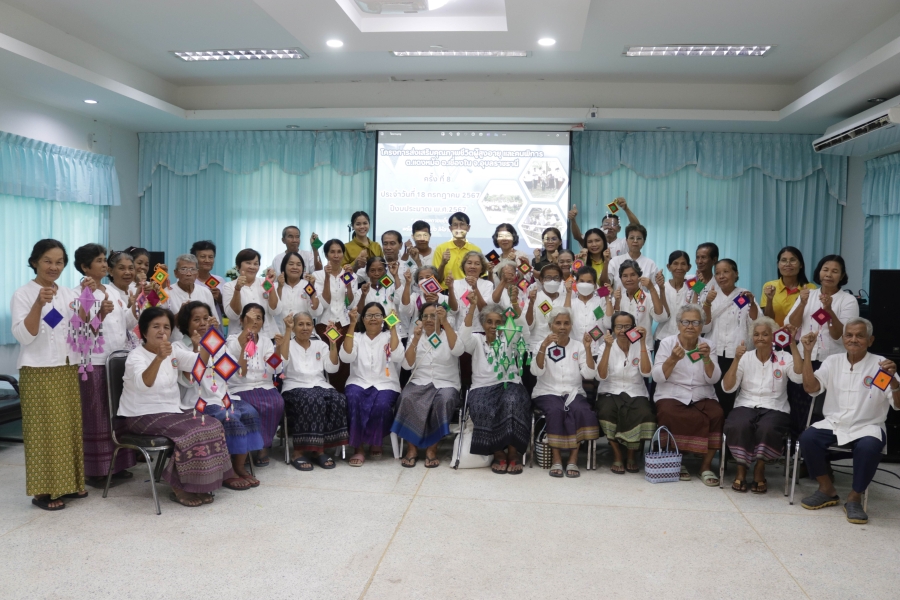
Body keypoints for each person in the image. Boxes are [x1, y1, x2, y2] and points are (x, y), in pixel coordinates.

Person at [118, 306, 234, 507]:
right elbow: (143, 383)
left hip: (171, 411)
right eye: (156, 326)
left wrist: (207, 340)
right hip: (141, 415)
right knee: (191, 432)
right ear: (144, 332)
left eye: (166, 326)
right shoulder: (135, 356)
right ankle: (180, 486)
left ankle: (197, 483)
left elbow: (198, 365)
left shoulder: (172, 352)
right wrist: (159, 358)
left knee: (212, 424)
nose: (162, 331)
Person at [798, 318, 900, 525]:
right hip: (835, 422)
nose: (853, 340)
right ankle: (826, 488)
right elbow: (811, 388)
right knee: (808, 438)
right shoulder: (832, 361)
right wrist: (807, 353)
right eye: (849, 335)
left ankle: (854, 497)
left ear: (870, 340)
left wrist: (895, 383)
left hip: (868, 425)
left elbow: (898, 405)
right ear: (843, 338)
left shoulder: (881, 365)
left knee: (869, 447)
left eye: (860, 336)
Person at [11, 239, 87, 510]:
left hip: (66, 367)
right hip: (37, 370)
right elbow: (24, 335)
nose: (54, 267)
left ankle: (71, 483)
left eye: (59, 262)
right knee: (43, 432)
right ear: (34, 262)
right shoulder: (22, 293)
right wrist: (37, 304)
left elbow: (81, 327)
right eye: (47, 261)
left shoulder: (67, 293)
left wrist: (89, 306)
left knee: (68, 429)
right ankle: (43, 492)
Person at [174, 302, 262, 490]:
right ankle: (226, 471)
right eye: (196, 319)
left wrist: (244, 348)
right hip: (197, 402)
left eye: (206, 318)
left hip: (221, 397)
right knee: (228, 417)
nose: (202, 323)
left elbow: (231, 373)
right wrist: (199, 349)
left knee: (249, 412)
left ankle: (239, 466)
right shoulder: (178, 346)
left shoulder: (216, 343)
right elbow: (191, 380)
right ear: (185, 323)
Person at [72, 244, 137, 489]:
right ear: (85, 267)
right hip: (95, 362)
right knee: (97, 415)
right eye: (98, 261)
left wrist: (133, 303)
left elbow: (127, 325)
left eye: (103, 261)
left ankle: (117, 465)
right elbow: (79, 332)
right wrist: (99, 315)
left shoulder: (110, 290)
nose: (104, 265)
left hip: (118, 359)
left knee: (116, 415)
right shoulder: (81, 293)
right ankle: (97, 471)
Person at [721, 318, 802, 493]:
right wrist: (736, 359)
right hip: (746, 403)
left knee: (768, 427)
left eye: (765, 334)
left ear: (773, 337)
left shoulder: (784, 356)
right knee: (738, 424)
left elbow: (798, 377)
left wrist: (793, 344)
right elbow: (728, 388)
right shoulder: (745, 357)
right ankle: (741, 468)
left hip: (775, 406)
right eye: (756, 334)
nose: (760, 338)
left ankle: (760, 467)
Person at [786, 255, 858, 435]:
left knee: (823, 408)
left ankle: (818, 455)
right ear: (819, 272)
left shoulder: (848, 301)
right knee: (799, 405)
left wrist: (829, 311)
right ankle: (797, 452)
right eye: (825, 270)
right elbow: (791, 325)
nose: (829, 274)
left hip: (830, 362)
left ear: (842, 276)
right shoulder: (808, 294)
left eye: (835, 271)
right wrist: (802, 304)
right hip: (805, 359)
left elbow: (840, 337)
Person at [652, 304, 723, 486]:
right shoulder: (667, 343)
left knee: (716, 414)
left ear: (701, 326)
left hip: (702, 393)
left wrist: (707, 359)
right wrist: (672, 359)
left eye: (695, 322)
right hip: (672, 391)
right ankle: (677, 462)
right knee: (669, 412)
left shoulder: (709, 346)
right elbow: (658, 377)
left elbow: (713, 379)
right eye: (686, 322)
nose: (690, 326)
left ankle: (705, 467)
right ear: (678, 324)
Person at [460, 302, 531, 474]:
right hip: (482, 386)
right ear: (483, 324)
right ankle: (498, 453)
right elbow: (463, 337)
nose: (493, 326)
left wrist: (514, 306)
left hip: (510, 382)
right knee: (481, 406)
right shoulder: (475, 340)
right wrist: (471, 309)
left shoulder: (510, 336)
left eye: (498, 322)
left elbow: (526, 333)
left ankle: (513, 453)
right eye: (489, 322)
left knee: (513, 401)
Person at [392, 303, 465, 468]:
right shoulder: (416, 336)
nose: (429, 319)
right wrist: (415, 340)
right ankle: (412, 449)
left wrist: (445, 323)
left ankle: (432, 449)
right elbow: (406, 366)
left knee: (444, 400)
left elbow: (459, 351)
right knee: (407, 397)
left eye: (434, 316)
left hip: (446, 383)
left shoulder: (449, 334)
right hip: (420, 381)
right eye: (425, 316)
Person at [531, 307, 600, 478]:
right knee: (556, 410)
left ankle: (573, 459)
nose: (562, 327)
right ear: (551, 325)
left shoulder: (578, 346)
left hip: (573, 392)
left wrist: (588, 348)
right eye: (558, 323)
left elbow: (589, 374)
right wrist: (544, 347)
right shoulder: (542, 344)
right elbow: (536, 372)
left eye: (566, 323)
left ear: (571, 326)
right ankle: (556, 459)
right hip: (547, 392)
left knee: (580, 410)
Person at [279, 312, 348, 471]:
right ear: (294, 326)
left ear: (313, 326)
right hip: (294, 386)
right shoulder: (287, 343)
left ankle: (319, 450)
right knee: (312, 400)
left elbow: (332, 368)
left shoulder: (320, 345)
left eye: (308, 324)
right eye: (300, 324)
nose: (305, 328)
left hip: (319, 384)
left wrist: (332, 343)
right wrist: (287, 331)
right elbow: (280, 364)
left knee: (339, 399)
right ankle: (298, 452)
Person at [340, 303, 402, 466]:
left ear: (384, 318)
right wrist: (352, 325)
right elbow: (346, 357)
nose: (373, 319)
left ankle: (376, 440)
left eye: (377, 315)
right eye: (369, 315)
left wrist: (393, 328)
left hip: (386, 383)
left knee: (382, 404)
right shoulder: (357, 337)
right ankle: (358, 448)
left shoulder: (389, 335)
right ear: (362, 318)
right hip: (359, 381)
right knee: (353, 398)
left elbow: (396, 356)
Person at [225, 303, 285, 467]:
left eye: (259, 318)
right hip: (240, 387)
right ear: (242, 320)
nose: (255, 321)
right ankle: (250, 447)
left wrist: (278, 349)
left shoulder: (266, 341)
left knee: (276, 403)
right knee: (253, 405)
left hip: (264, 385)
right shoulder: (232, 338)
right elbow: (236, 351)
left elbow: (275, 367)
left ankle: (263, 446)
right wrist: (247, 333)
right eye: (250, 318)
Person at [596, 312, 655, 474]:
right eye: (619, 326)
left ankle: (631, 454)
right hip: (610, 390)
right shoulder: (605, 346)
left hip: (635, 391)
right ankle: (617, 453)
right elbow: (601, 375)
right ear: (613, 329)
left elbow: (646, 372)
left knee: (644, 412)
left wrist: (642, 343)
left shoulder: (642, 346)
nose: (622, 330)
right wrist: (608, 348)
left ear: (634, 328)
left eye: (627, 326)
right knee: (607, 411)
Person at [704, 259, 759, 416]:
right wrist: (707, 303)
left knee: (733, 396)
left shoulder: (744, 295)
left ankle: (731, 432)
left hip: (739, 353)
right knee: (714, 395)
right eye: (718, 273)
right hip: (714, 352)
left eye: (726, 272)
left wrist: (753, 304)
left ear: (736, 273)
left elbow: (756, 324)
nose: (721, 276)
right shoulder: (711, 295)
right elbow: (705, 327)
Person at [314, 239, 356, 392]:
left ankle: (342, 396)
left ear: (343, 254)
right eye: (332, 251)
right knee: (326, 361)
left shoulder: (350, 275)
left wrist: (350, 283)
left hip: (344, 324)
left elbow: (350, 303)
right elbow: (323, 302)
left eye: (339, 252)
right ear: (326, 254)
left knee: (344, 362)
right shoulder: (318, 275)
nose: (336, 255)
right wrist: (326, 277)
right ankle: (327, 394)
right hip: (324, 324)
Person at [222, 248, 279, 339]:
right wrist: (237, 289)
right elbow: (233, 315)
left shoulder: (265, 283)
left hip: (267, 337)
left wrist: (270, 284)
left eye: (256, 264)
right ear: (238, 266)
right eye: (248, 263)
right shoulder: (229, 286)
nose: (252, 267)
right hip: (240, 338)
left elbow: (275, 310)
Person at [269, 251, 322, 335]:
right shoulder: (275, 286)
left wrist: (311, 288)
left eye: (298, 264)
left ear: (303, 268)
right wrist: (280, 287)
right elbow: (274, 311)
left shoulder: (309, 286)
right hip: (281, 335)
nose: (295, 267)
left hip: (304, 336)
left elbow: (316, 312)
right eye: (291, 264)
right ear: (284, 267)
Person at [761, 246, 816, 326]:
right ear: (778, 265)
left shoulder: (811, 288)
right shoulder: (769, 286)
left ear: (801, 265)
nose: (788, 264)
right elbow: (768, 320)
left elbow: (810, 318)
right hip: (775, 335)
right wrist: (769, 300)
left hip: (800, 336)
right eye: (783, 260)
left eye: (793, 260)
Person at [569, 198, 640, 258]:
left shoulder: (624, 242)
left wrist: (626, 209)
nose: (609, 227)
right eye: (606, 224)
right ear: (601, 227)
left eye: (614, 224)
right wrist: (573, 220)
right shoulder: (595, 242)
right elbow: (577, 237)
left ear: (619, 229)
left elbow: (637, 228)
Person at [611, 260, 665, 336]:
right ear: (621, 279)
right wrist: (617, 303)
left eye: (633, 275)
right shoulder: (617, 298)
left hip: (644, 345)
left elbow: (660, 317)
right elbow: (611, 325)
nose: (629, 279)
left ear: (639, 277)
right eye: (625, 276)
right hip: (622, 346)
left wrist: (652, 289)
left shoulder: (648, 297)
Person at [654, 251, 693, 351]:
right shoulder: (659, 288)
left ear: (689, 267)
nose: (679, 267)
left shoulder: (694, 287)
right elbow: (660, 317)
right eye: (675, 263)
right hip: (663, 338)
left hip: (687, 340)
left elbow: (696, 313)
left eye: (683, 264)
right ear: (668, 266)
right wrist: (662, 289)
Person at [566, 266, 612, 348]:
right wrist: (568, 293)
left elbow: (608, 324)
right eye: (582, 281)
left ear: (594, 285)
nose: (585, 284)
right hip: (576, 351)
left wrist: (608, 299)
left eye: (589, 282)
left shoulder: (601, 301)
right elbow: (565, 319)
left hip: (598, 350)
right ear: (576, 283)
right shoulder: (571, 302)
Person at [356, 258, 405, 335]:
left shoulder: (391, 287)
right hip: (370, 334)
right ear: (367, 273)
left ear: (385, 271)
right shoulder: (361, 292)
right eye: (372, 270)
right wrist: (363, 296)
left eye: (380, 270)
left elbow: (400, 300)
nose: (376, 273)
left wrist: (395, 275)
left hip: (392, 332)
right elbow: (358, 315)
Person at [450, 251, 493, 333]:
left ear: (482, 268)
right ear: (464, 266)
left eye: (477, 264)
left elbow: (484, 311)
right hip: (458, 330)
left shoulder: (488, 284)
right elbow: (453, 310)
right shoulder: (455, 283)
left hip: (479, 331)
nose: (472, 266)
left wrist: (475, 288)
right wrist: (450, 287)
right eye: (469, 263)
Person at [165, 254, 218, 319]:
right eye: (184, 269)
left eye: (192, 269)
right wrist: (180, 315)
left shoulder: (206, 292)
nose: (188, 274)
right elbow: (163, 323)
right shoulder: (166, 293)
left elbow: (214, 320)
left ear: (197, 274)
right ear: (176, 273)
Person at [434, 212, 481, 283]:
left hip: (468, 291)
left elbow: (481, 277)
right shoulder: (441, 248)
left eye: (462, 224)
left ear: (468, 228)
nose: (459, 228)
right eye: (455, 225)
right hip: (446, 291)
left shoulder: (476, 250)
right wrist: (443, 263)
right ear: (450, 228)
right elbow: (436, 280)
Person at [607, 224, 658, 290]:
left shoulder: (650, 264)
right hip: (618, 300)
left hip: (643, 300)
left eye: (639, 238)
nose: (635, 241)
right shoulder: (615, 261)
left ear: (644, 242)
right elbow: (604, 284)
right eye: (631, 238)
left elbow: (656, 288)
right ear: (626, 241)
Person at [191, 240, 225, 317]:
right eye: (203, 257)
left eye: (211, 257)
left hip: (215, 327)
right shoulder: (188, 280)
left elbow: (227, 312)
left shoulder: (220, 280)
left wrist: (220, 299)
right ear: (194, 259)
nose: (207, 260)